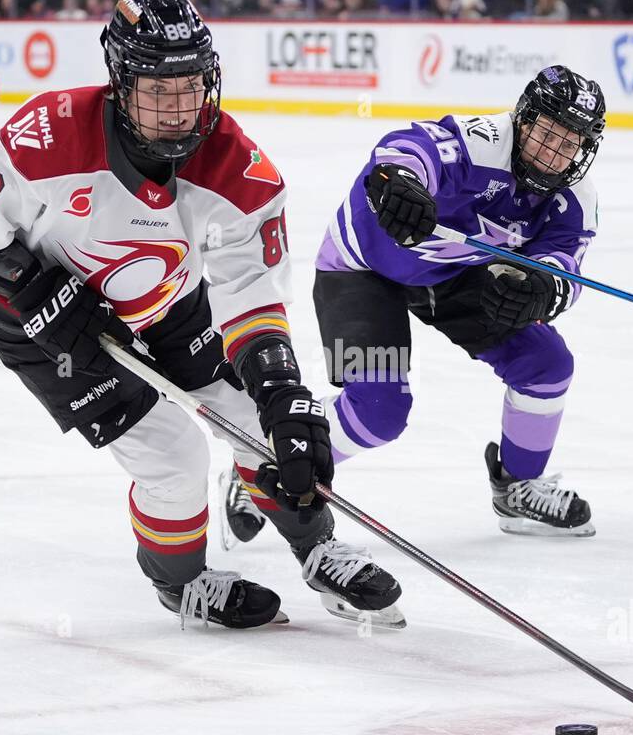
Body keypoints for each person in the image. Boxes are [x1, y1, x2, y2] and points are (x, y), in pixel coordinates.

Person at [0, 0, 402, 630]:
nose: (179, 108)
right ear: (120, 84)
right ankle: (181, 583)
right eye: (157, 88)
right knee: (175, 457)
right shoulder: (43, 136)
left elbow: (249, 292)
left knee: (263, 425)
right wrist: (31, 290)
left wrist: (282, 387)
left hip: (168, 300)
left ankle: (317, 549)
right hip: (45, 328)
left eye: (192, 85)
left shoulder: (239, 170)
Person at [237, 67, 602, 539]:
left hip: (455, 276)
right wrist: (400, 182)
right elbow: (408, 148)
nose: (555, 154)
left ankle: (517, 486)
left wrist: (541, 288)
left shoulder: (574, 198)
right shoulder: (482, 143)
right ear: (524, 120)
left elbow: (565, 264)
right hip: (363, 269)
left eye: (570, 143)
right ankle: (271, 450)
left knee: (546, 363)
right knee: (379, 410)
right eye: (548, 134)